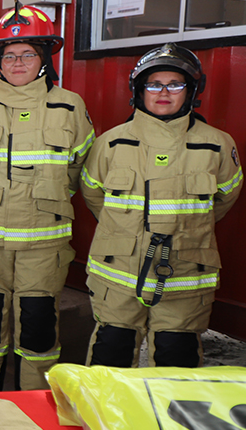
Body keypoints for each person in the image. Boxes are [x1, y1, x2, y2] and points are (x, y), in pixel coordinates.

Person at [0, 1, 95, 391]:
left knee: (37, 328)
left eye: (28, 54)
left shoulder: (70, 107)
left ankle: (36, 409)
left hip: (44, 245)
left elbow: (79, 168)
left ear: (45, 58)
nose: (18, 63)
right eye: (9, 54)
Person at [81, 43, 242, 368]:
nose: (163, 92)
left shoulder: (217, 145)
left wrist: (188, 229)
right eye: (154, 84)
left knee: (176, 361)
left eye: (175, 84)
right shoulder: (111, 143)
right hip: (118, 276)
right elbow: (92, 193)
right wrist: (126, 230)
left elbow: (225, 196)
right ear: (139, 91)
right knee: (110, 359)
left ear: (191, 90)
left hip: (185, 277)